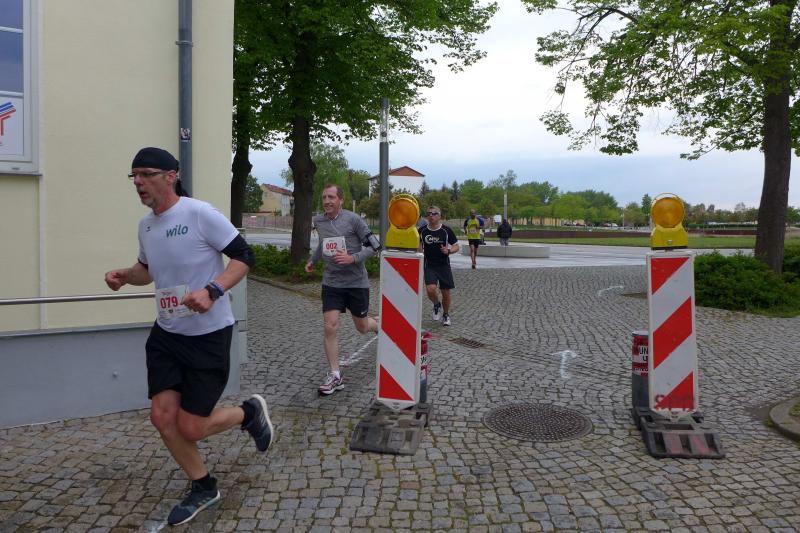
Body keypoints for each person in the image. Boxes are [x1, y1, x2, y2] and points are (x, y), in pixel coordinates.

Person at [104, 147, 274, 526]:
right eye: (134, 175)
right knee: (162, 417)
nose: (138, 182)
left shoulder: (199, 214)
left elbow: (244, 257)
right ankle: (203, 486)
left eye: (146, 174)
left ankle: (248, 413)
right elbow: (147, 270)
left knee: (192, 426)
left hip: (208, 336)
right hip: (167, 334)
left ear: (171, 176)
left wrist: (213, 290)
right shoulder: (146, 226)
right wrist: (124, 276)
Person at [305, 184, 378, 395]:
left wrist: (352, 258)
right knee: (330, 326)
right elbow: (323, 243)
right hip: (332, 283)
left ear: (341, 200)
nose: (327, 201)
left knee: (362, 327)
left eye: (331, 197)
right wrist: (313, 261)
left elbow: (375, 246)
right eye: (324, 197)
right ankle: (335, 375)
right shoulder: (319, 220)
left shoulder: (354, 220)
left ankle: (378, 325)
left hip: (356, 283)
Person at [419, 206, 460, 326]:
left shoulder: (446, 230)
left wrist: (448, 251)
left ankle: (446, 314)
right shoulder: (422, 231)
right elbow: (418, 246)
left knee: (445, 292)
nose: (431, 216)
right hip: (429, 265)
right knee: (430, 289)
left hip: (443, 265)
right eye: (429, 213)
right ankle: (436, 304)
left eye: (434, 213)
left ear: (439, 216)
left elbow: (456, 246)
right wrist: (419, 254)